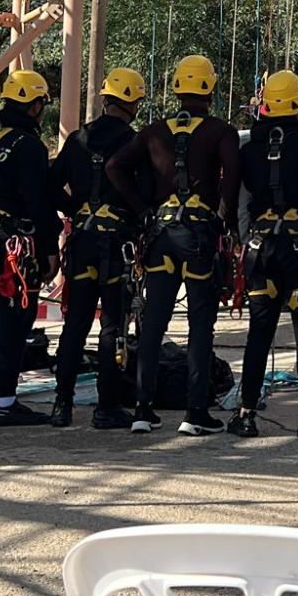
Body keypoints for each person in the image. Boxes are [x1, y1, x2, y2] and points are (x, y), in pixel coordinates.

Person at [107, 54, 241, 436]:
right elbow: (232, 177)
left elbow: (114, 166)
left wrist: (142, 210)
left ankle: (142, 409)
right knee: (200, 325)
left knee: (153, 324)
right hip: (198, 236)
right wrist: (225, 222)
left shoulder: (153, 131)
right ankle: (195, 412)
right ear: (209, 88)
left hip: (161, 235)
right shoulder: (220, 132)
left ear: (177, 88)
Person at [230, 70, 298, 440]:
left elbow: (239, 203)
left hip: (261, 250)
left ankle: (245, 414)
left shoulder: (248, 150)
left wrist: (244, 241)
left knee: (259, 334)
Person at [48, 67, 147, 430]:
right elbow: (144, 192)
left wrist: (76, 209)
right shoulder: (134, 143)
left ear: (105, 99)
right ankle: (107, 407)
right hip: (115, 244)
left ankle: (62, 404)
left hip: (83, 243)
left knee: (75, 324)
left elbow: (51, 185)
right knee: (112, 326)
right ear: (133, 103)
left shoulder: (78, 139)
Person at [0, 69, 59, 428]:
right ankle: (4, 401)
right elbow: (38, 202)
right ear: (34, 106)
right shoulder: (28, 146)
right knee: (13, 318)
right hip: (12, 244)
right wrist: (49, 248)